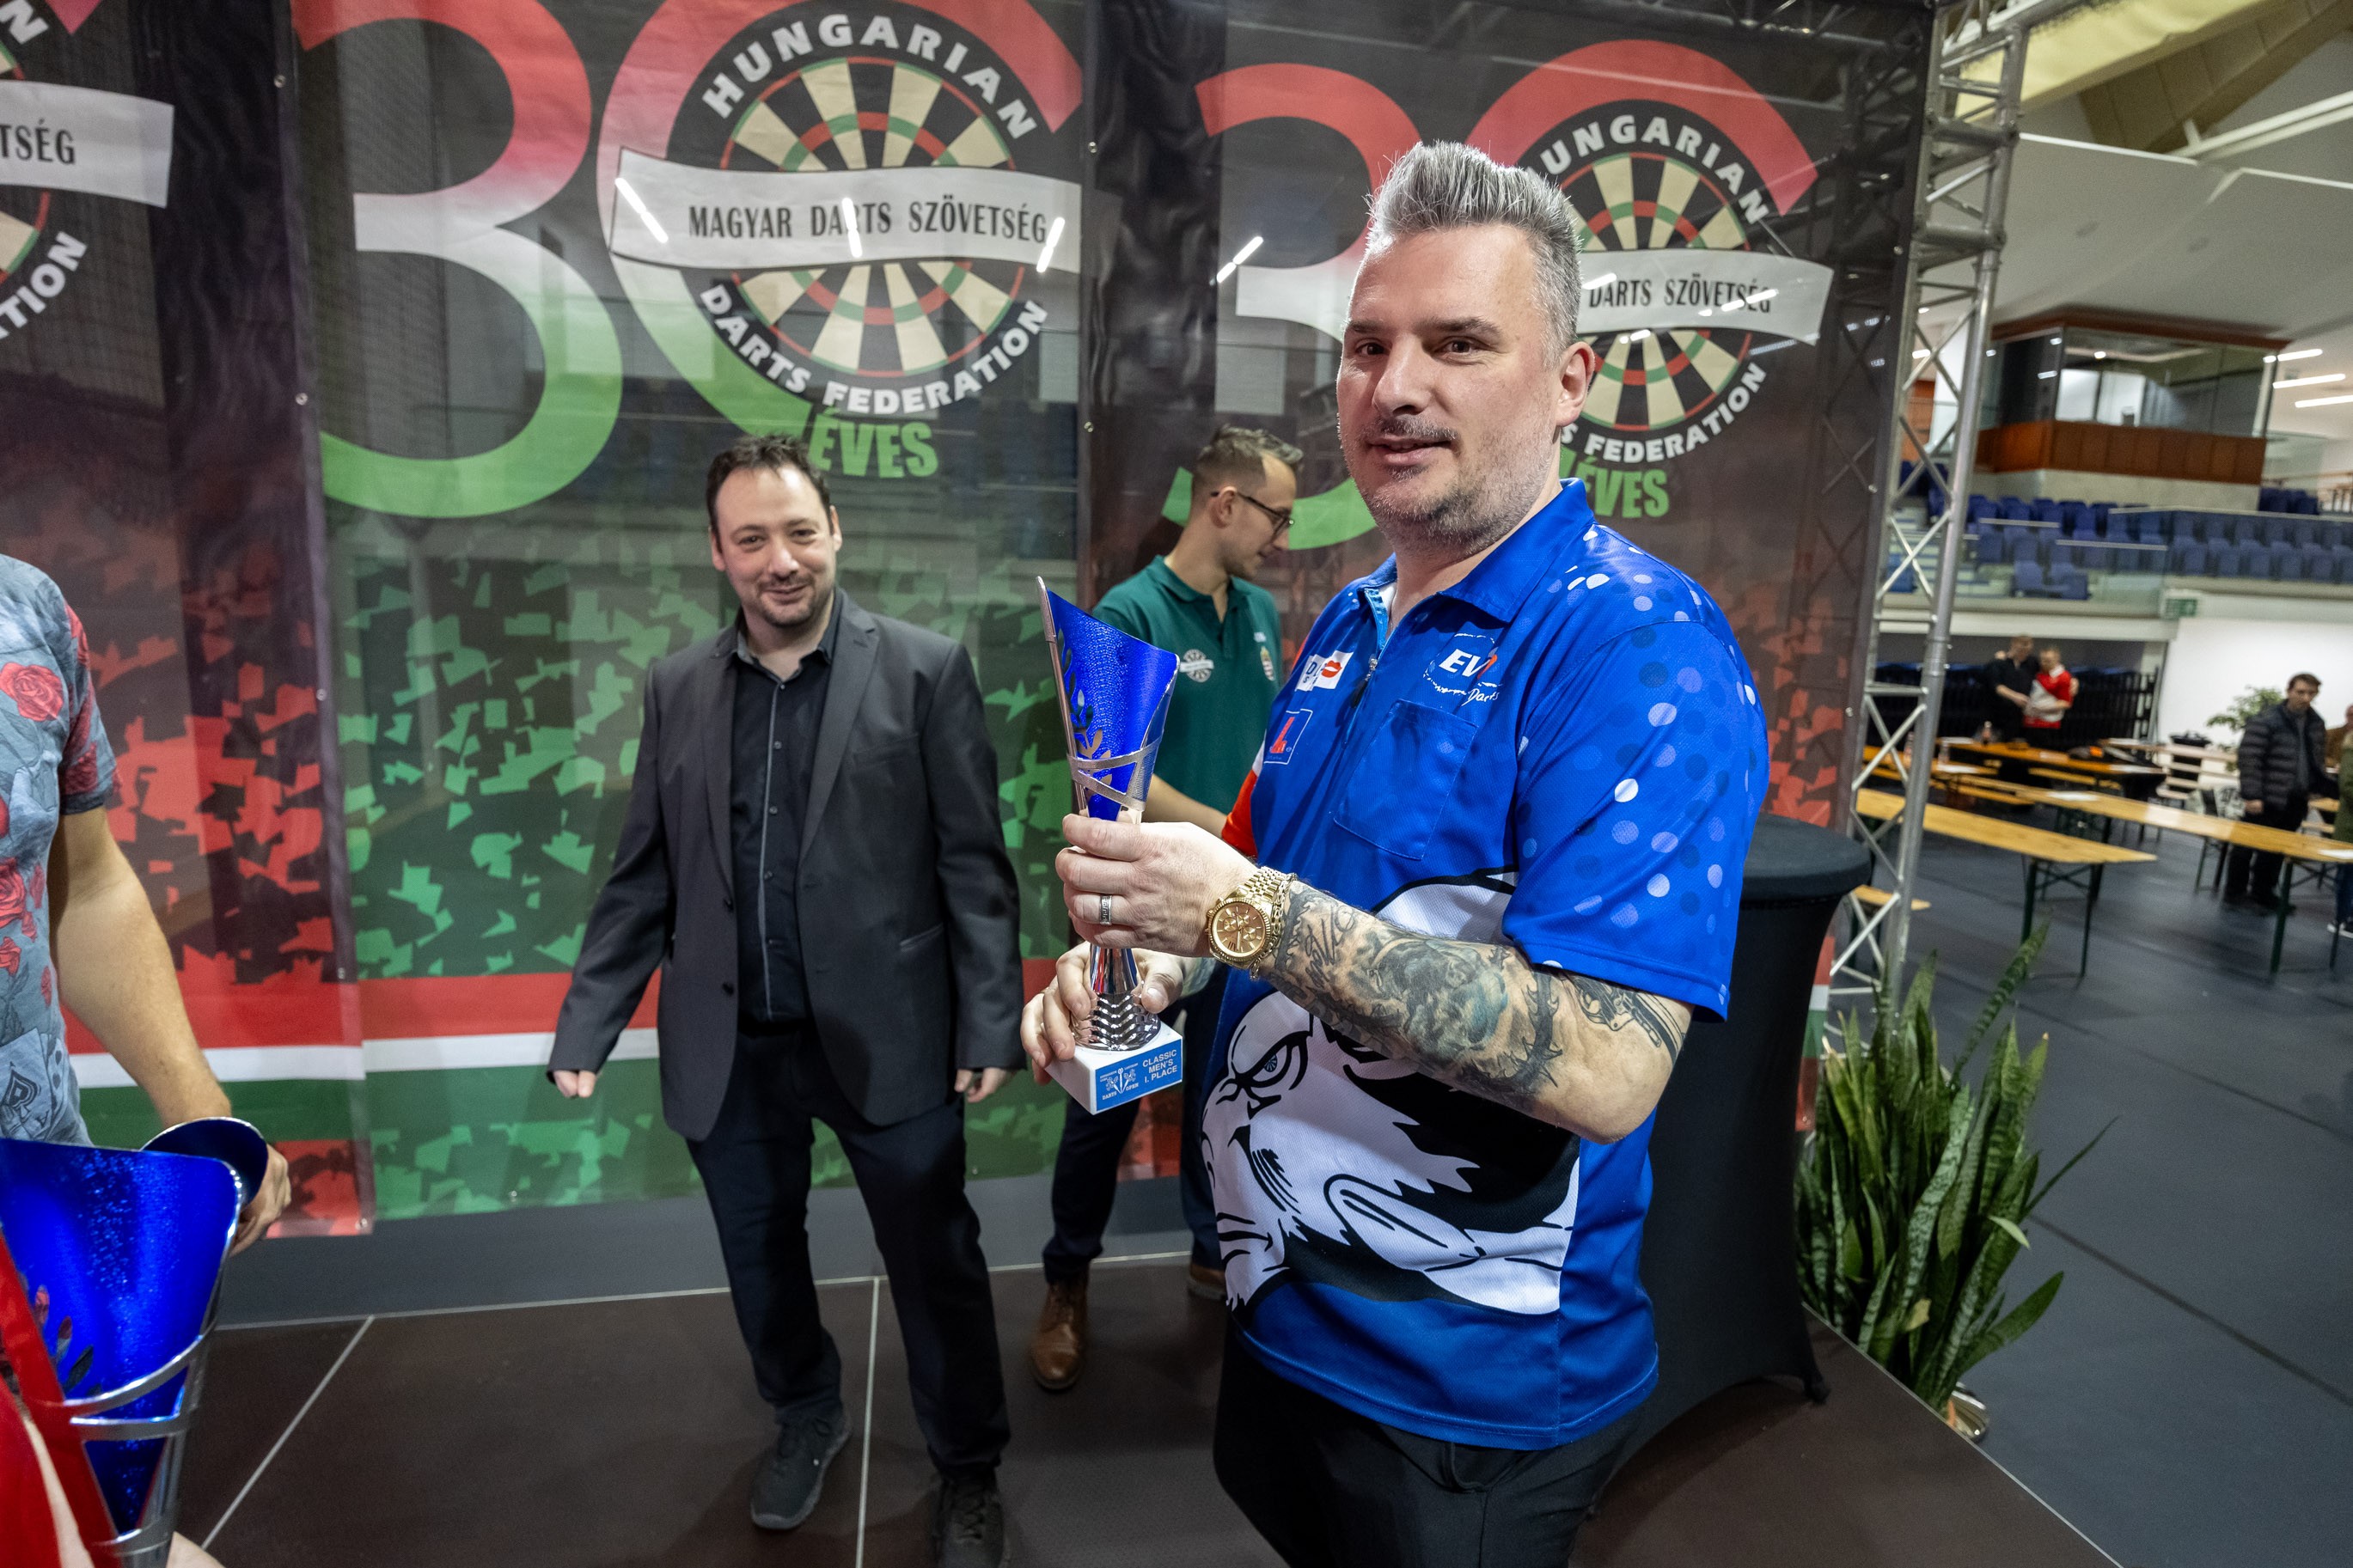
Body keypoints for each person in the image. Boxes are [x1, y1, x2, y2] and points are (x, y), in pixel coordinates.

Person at [1021, 143, 1766, 1567]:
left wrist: (1239, 912)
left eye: (1457, 343)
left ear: (1568, 379)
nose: (1393, 385)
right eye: (1367, 346)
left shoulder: (1635, 643)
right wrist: (1141, 972)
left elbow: (1606, 1064)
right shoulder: (1349, 621)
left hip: (1463, 1396)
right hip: (1281, 1310)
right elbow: (1248, 884)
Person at [547, 436, 1023, 1567]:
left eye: (800, 531)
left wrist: (988, 1016)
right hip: (730, 1042)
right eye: (752, 538)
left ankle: (967, 1468)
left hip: (892, 1033)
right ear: (717, 553)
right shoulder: (674, 687)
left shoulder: (924, 670)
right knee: (758, 1255)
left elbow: (971, 862)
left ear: (835, 533)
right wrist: (588, 1021)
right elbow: (643, 872)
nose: (781, 559)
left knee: (934, 1260)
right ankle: (806, 1411)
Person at [1, 553, 291, 1568]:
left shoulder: (28, 611)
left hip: (40, 1219)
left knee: (116, 1538)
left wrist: (200, 1112)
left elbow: (87, 885)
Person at [1028, 424, 1299, 1393]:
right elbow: (1112, 776)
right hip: (1138, 905)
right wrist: (1225, 834)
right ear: (1223, 503)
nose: (1282, 535)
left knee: (1223, 1084)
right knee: (1101, 1110)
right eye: (1275, 515)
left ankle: (1210, 1251)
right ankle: (1065, 1279)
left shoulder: (1259, 612)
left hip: (1235, 905)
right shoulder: (1129, 612)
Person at [2224, 672, 2328, 915]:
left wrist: (2316, 786)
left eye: (2311, 693)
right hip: (2266, 796)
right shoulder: (2267, 719)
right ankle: (2235, 893)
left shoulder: (2316, 722)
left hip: (2295, 797)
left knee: (2277, 850)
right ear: (2289, 691)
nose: (2305, 698)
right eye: (2301, 692)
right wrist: (2252, 795)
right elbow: (2250, 758)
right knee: (2246, 846)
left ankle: (2263, 893)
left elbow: (2316, 758)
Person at [1982, 632, 2037, 742]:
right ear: (2013, 645)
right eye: (2021, 650)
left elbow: (2050, 669)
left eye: (2027, 651)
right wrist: (2015, 696)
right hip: (1998, 715)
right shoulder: (1998, 663)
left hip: (2019, 718)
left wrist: (2072, 680)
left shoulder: (2031, 663)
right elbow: (1997, 686)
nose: (2023, 654)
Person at [2022, 644, 2074, 739]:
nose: (2044, 663)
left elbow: (2066, 703)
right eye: (2042, 660)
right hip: (2030, 720)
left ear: (2057, 659)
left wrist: (2042, 708)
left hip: (2048, 723)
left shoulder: (2063, 677)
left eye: (2048, 661)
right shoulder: (2037, 672)